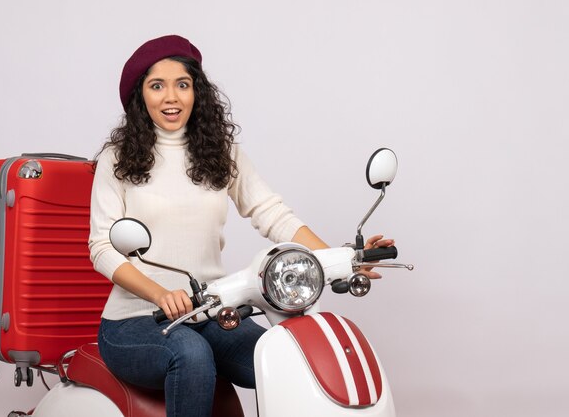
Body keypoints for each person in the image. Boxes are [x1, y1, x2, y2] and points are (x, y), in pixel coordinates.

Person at [89, 34, 393, 417]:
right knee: (191, 354)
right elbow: (102, 247)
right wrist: (159, 294)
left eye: (182, 85)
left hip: (209, 309)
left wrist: (342, 257)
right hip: (134, 322)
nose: (171, 97)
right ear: (140, 96)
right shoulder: (117, 160)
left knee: (284, 355)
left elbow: (271, 213)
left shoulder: (220, 152)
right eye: (157, 86)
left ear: (196, 91)